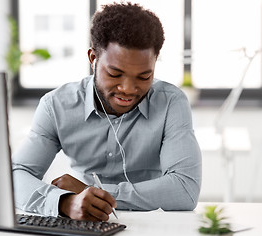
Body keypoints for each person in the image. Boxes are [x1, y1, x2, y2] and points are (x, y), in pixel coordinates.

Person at [12, 2, 202, 222]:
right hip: (84, 226)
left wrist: (91, 192)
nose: (128, 89)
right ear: (93, 58)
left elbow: (185, 189)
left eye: (143, 77)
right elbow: (16, 176)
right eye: (114, 74)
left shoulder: (171, 103)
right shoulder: (56, 106)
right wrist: (64, 201)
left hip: (152, 225)